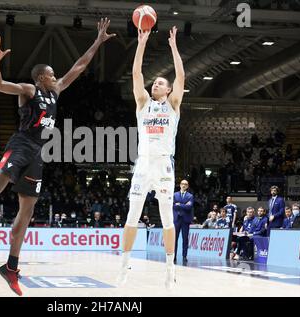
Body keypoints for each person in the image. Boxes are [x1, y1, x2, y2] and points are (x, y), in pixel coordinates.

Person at [0, 18, 115, 296]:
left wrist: (97, 41)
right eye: (52, 73)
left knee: (28, 209)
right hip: (20, 145)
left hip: (37, 153)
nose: (56, 76)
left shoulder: (56, 91)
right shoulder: (29, 90)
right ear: (41, 76)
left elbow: (79, 66)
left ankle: (11, 267)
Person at [118, 26, 185, 289]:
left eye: (160, 82)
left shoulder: (173, 104)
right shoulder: (143, 102)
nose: (155, 83)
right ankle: (124, 265)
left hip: (164, 165)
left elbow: (181, 75)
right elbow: (136, 73)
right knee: (132, 216)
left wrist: (173, 47)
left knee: (167, 218)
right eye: (154, 81)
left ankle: (170, 268)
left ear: (167, 91)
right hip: (143, 163)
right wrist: (141, 43)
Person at [173, 180, 194, 265]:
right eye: (182, 184)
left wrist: (179, 204)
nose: (184, 185)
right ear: (180, 185)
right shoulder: (175, 195)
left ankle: (184, 256)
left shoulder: (190, 196)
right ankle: (173, 256)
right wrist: (184, 205)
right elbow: (173, 205)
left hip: (185, 220)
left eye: (186, 184)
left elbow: (189, 207)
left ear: (187, 186)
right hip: (177, 219)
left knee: (185, 239)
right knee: (175, 239)